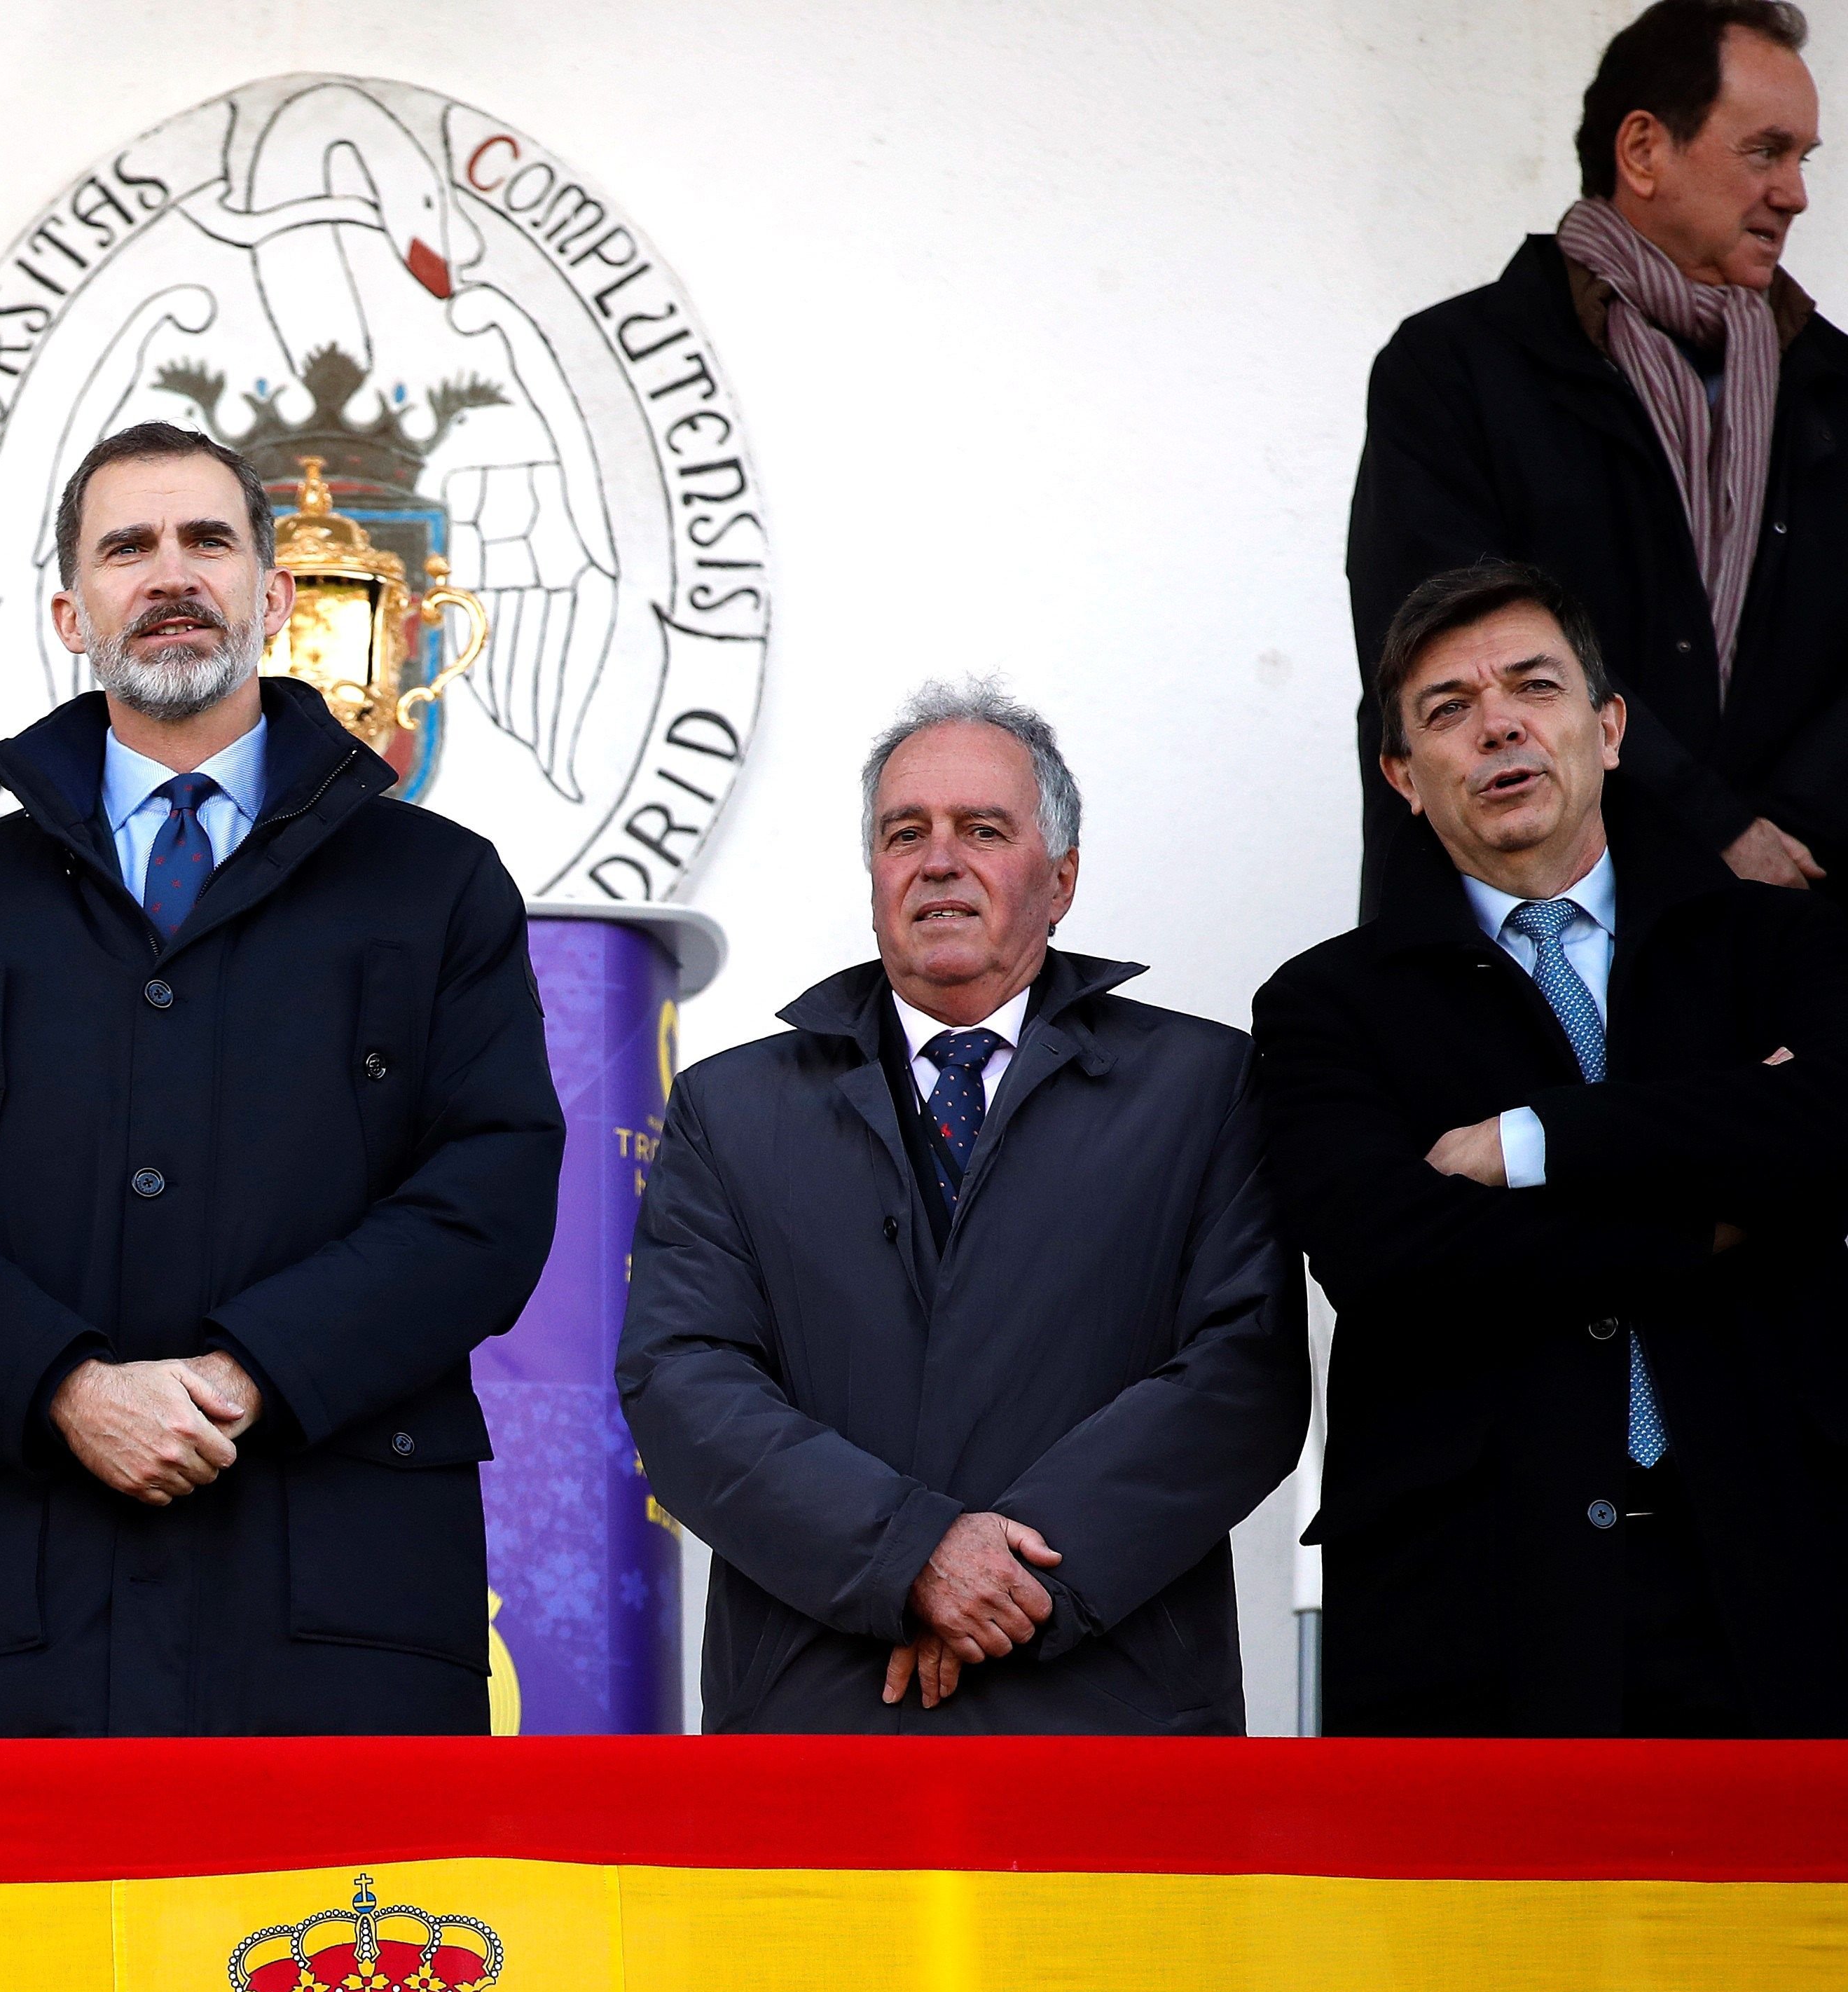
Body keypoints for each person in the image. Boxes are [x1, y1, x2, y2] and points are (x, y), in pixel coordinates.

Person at [0, 423, 563, 1736]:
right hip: (28, 1602)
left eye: (207, 539)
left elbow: (488, 1197)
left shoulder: (436, 887)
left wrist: (249, 1373)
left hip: (344, 1602)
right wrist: (67, 1387)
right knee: (27, 1947)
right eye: (127, 546)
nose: (170, 574)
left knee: (330, 1945)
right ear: (68, 609)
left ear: (273, 595)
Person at [618, 686, 1309, 1731]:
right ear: (875, 877)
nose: (940, 860)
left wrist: (1004, 1578)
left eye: (983, 830)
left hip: (1112, 1715)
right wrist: (910, 1554)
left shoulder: (1203, 1088)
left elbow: (1241, 1378)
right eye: (907, 834)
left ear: (1062, 877)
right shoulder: (733, 1107)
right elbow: (683, 1383)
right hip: (822, 1717)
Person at [1260, 561, 1848, 1734]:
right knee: (1472, 1930)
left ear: (1610, 725)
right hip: (1466, 1611)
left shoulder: (1779, 947)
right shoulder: (1326, 1004)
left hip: (1769, 1577)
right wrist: (1716, 1208)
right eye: (1446, 709)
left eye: (1533, 685)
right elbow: (1390, 1252)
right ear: (1401, 779)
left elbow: (1834, 1132)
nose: (1497, 725)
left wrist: (1537, 1140)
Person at [1349, 0, 1845, 914]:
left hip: (1790, 918)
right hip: (1516, 938)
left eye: (1802, 161)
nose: (1795, 193)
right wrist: (1716, 829)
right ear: (1644, 150)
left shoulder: (1834, 388)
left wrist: (1784, 837)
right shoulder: (1457, 368)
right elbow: (1445, 648)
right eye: (1764, 152)